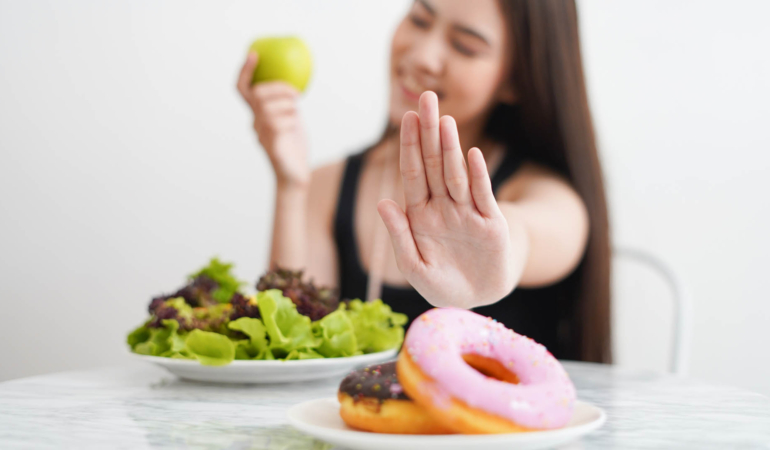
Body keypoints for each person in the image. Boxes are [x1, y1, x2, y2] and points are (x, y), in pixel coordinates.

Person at [236, 0, 611, 363]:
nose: (421, 56)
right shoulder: (324, 186)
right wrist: (290, 186)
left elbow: (535, 233)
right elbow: (289, 343)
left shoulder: (546, 194)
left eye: (465, 46)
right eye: (419, 19)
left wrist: (498, 252)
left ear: (516, 80)